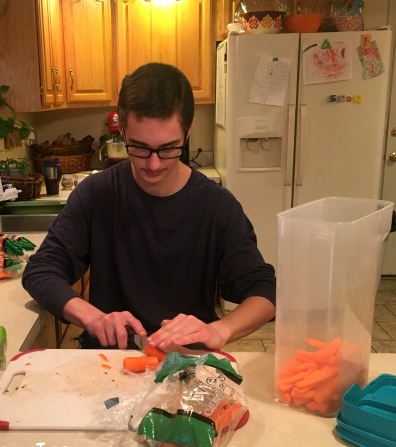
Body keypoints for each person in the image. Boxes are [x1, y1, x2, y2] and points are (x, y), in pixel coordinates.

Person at [22, 63, 276, 351]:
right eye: (139, 147)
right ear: (123, 131)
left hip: (185, 363)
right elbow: (41, 271)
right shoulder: (97, 194)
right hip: (109, 362)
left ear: (187, 132)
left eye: (168, 148)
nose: (153, 164)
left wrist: (221, 330)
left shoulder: (216, 206)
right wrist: (94, 318)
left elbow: (264, 292)